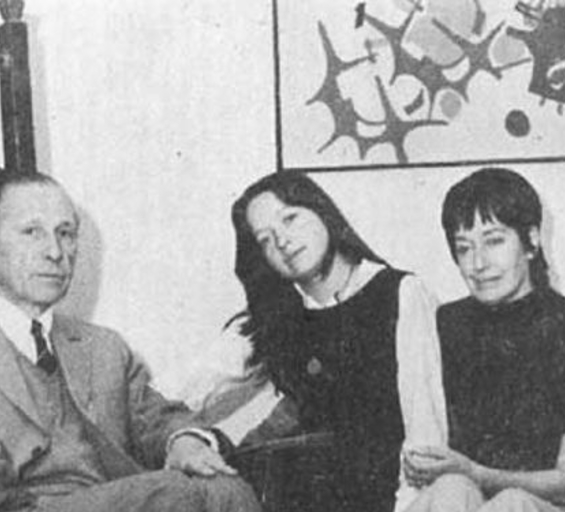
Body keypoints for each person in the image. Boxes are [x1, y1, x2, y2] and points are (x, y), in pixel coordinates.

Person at [0, 172, 261, 512]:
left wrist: (185, 441)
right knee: (181, 493)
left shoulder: (104, 348)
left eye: (65, 233)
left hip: (112, 501)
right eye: (31, 232)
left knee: (225, 487)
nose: (54, 252)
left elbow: (159, 418)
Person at [186, 170, 448, 512]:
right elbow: (183, 386)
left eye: (290, 218)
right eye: (265, 239)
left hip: (394, 498)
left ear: (322, 212)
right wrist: (183, 437)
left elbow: (426, 434)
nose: (282, 241)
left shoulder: (401, 293)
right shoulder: (273, 317)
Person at [404, 167, 565, 512]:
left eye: (494, 241)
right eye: (464, 248)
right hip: (474, 500)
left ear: (531, 241)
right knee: (451, 488)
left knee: (511, 502)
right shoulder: (444, 324)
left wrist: (475, 472)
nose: (478, 263)